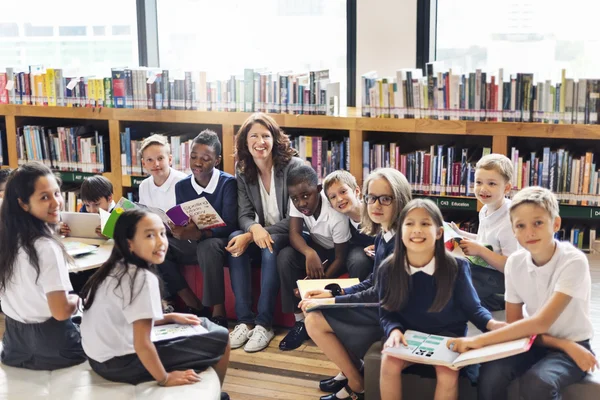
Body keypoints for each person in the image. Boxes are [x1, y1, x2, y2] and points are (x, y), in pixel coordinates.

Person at [447, 187, 598, 400]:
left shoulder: (573, 261)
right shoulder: (515, 264)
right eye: (520, 225)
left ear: (555, 224)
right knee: (489, 373)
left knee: (538, 382)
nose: (529, 232)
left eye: (538, 223)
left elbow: (541, 322)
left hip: (573, 347)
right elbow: (516, 324)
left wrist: (479, 341)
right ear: (513, 230)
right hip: (536, 340)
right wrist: (563, 344)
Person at [80, 209, 230, 397]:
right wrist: (165, 378)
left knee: (203, 324)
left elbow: (124, 317)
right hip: (121, 363)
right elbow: (142, 343)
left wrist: (168, 317)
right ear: (130, 243)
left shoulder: (114, 267)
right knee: (222, 338)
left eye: (162, 233)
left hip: (99, 359)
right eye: (150, 235)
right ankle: (215, 396)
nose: (161, 242)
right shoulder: (141, 277)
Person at [301, 168, 411, 400]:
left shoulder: (402, 240)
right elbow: (373, 280)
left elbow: (377, 294)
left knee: (314, 318)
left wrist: (332, 300)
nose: (376, 205)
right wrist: (336, 291)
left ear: (399, 198)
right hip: (383, 306)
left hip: (395, 316)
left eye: (385, 198)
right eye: (371, 198)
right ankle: (352, 370)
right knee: (317, 307)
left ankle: (356, 383)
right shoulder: (385, 232)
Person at [379, 199, 505, 400]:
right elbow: (386, 313)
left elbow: (473, 308)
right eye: (409, 224)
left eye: (425, 224)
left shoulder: (456, 266)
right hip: (408, 336)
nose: (417, 230)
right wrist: (393, 330)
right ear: (400, 231)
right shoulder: (388, 268)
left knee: (447, 373)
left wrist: (491, 324)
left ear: (439, 232)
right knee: (388, 362)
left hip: (448, 337)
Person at [227, 113, 302, 353]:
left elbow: (296, 217)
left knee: (267, 247)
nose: (261, 142)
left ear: (275, 139)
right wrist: (252, 228)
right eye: (254, 136)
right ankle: (244, 320)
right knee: (233, 240)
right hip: (263, 232)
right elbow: (244, 214)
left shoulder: (293, 167)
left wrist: (254, 234)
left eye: (266, 136)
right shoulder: (243, 170)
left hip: (292, 233)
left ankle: (264, 324)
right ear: (245, 143)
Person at [0, 162, 85, 370]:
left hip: (14, 346)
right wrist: (77, 299)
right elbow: (61, 312)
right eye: (44, 197)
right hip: (57, 347)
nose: (56, 203)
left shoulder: (5, 240)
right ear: (23, 204)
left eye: (57, 193)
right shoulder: (46, 246)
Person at [158, 129, 238, 328]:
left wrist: (202, 233)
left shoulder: (228, 184)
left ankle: (218, 312)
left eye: (205, 158)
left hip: (218, 241)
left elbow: (231, 224)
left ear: (217, 161)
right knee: (160, 246)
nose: (198, 163)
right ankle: (192, 303)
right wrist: (177, 230)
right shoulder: (182, 186)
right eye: (193, 157)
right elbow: (183, 219)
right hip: (192, 240)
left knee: (207, 246)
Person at [276, 165, 351, 351]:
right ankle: (299, 322)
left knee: (353, 260)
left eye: (306, 196)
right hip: (317, 247)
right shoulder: (296, 202)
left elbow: (341, 258)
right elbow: (294, 234)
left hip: (339, 252)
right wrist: (310, 253)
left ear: (318, 189)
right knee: (286, 256)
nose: (301, 203)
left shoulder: (335, 213)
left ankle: (339, 324)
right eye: (295, 198)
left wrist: (312, 286)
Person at [137, 134, 203, 316]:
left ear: (170, 159)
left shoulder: (184, 182)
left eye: (160, 158)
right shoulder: (144, 186)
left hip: (188, 240)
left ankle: (180, 302)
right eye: (150, 160)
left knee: (156, 248)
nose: (156, 164)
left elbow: (198, 216)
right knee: (145, 247)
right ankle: (161, 302)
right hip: (163, 237)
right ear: (144, 163)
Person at [450, 153, 519, 311]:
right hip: (484, 270)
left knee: (460, 289)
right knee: (449, 272)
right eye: (478, 182)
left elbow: (511, 266)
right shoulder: (486, 210)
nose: (483, 189)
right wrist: (459, 233)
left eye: (492, 184)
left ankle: (498, 300)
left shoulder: (510, 220)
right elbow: (486, 241)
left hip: (502, 278)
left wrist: (480, 250)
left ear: (507, 188)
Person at [323, 170, 374, 281]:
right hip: (360, 251)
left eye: (343, 192)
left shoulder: (374, 209)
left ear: (356, 191)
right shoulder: (341, 222)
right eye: (333, 197)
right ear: (331, 205)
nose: (339, 199)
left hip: (384, 248)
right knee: (357, 259)